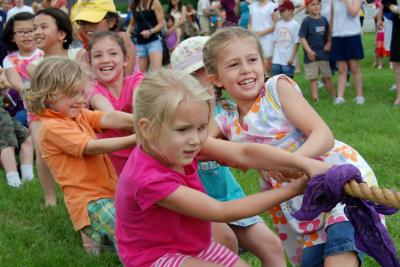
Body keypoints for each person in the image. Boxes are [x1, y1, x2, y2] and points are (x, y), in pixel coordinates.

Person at [115, 68, 331, 267]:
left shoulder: (173, 143)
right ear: (147, 128)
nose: (195, 139)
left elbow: (243, 152)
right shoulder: (147, 178)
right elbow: (221, 211)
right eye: (183, 130)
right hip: (153, 257)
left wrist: (302, 162)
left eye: (201, 128)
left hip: (192, 244)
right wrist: (291, 190)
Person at [203, 27, 381, 267]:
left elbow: (323, 135)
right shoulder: (225, 119)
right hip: (295, 200)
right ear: (215, 79)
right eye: (233, 65)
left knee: (339, 250)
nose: (246, 69)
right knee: (314, 259)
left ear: (263, 63)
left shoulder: (276, 90)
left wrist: (295, 161)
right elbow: (197, 143)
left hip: (330, 177)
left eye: (252, 60)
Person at [171, 36, 288, 266]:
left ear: (215, 75)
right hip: (195, 201)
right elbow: (196, 150)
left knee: (272, 245)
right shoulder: (180, 116)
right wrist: (229, 154)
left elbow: (246, 148)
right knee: (225, 242)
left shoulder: (227, 111)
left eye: (201, 73)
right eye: (190, 76)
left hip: (229, 194)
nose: (197, 81)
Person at [24, 56, 136, 254]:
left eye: (80, 93)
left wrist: (141, 121)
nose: (80, 99)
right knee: (133, 240)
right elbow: (91, 147)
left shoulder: (77, 114)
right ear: (48, 95)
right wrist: (137, 138)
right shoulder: (52, 127)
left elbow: (108, 117)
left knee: (121, 239)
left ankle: (96, 249)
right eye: (71, 94)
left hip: (107, 193)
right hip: (89, 202)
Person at [28, 7, 86, 206]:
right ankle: (50, 197)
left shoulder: (78, 55)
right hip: (44, 114)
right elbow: (38, 99)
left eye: (43, 27)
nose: (36, 32)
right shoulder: (35, 65)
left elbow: (86, 87)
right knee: (41, 146)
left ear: (62, 34)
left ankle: (83, 187)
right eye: (34, 27)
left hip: (80, 110)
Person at [88, 31, 144, 176]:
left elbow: (141, 104)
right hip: (112, 163)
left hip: (144, 155)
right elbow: (111, 115)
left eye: (113, 53)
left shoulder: (137, 80)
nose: (105, 59)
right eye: (97, 55)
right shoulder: (92, 90)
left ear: (125, 59)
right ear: (90, 63)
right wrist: (148, 128)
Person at [71, 0, 137, 75]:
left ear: (112, 22)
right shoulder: (82, 54)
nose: (87, 26)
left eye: (93, 20)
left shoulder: (124, 43)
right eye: (82, 22)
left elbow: (127, 80)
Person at [299, 0, 336, 101]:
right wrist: (308, 51)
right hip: (311, 56)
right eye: (313, 4)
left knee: (327, 76)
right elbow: (302, 37)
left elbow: (329, 33)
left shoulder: (324, 20)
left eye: (318, 4)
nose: (316, 6)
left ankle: (334, 97)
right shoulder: (306, 21)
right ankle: (315, 98)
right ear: (307, 7)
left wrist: (329, 43)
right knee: (313, 78)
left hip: (323, 54)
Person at [330, 0, 365, 105]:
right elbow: (332, 19)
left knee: (354, 67)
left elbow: (353, 12)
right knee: (341, 68)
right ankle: (340, 97)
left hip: (352, 34)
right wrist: (329, 39)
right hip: (337, 35)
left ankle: (359, 96)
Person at [2, 12, 44, 98]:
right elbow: (17, 84)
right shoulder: (10, 59)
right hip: (24, 103)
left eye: (31, 30)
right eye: (21, 32)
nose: (27, 35)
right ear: (12, 37)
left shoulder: (44, 53)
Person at [0, 96, 34, 188]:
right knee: (7, 140)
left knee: (26, 137)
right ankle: (14, 182)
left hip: (3, 110)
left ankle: (28, 179)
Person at [127, 0, 165, 72]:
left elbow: (161, 23)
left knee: (157, 73)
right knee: (141, 76)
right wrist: (126, 36)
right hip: (140, 44)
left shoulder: (154, 2)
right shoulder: (135, 5)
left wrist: (150, 31)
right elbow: (131, 25)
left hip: (154, 42)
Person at [248, 0, 279, 77]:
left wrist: (262, 32)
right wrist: (250, 33)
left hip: (268, 40)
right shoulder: (253, 6)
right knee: (258, 63)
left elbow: (277, 24)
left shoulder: (272, 6)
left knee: (268, 65)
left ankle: (270, 84)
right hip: (255, 40)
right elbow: (250, 22)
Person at [271, 1, 300, 79]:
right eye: (280, 11)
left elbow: (296, 43)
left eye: (283, 11)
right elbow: (274, 41)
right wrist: (272, 56)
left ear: (290, 11)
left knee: (288, 81)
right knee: (276, 80)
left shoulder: (295, 25)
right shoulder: (278, 24)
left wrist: (292, 57)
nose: (280, 13)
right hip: (276, 59)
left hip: (287, 59)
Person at [382, 0, 400, 105]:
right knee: (398, 63)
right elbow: (386, 2)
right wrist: (393, 7)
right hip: (398, 26)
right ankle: (399, 97)